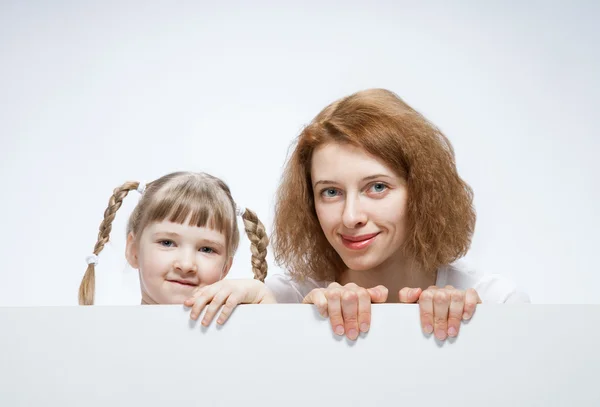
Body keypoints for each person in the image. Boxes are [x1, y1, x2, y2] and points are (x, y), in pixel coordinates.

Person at [267, 88, 529, 341]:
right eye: (331, 192)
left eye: (377, 187)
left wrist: (479, 332)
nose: (350, 217)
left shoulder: (496, 302)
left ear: (421, 192)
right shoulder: (282, 301)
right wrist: (291, 319)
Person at [78, 171, 276, 326]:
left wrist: (262, 295)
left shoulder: (234, 331)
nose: (186, 264)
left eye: (206, 249)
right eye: (167, 243)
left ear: (226, 267)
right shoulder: (111, 332)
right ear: (134, 251)